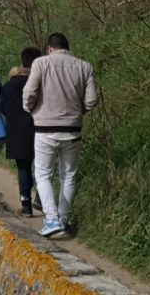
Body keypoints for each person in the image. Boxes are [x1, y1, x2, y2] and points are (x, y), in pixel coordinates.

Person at [22, 33, 98, 238]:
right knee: (69, 175)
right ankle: (63, 219)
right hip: (73, 129)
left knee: (43, 174)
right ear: (67, 47)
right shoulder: (85, 66)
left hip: (45, 129)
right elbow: (91, 100)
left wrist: (31, 109)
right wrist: (77, 111)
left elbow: (29, 93)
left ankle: (52, 219)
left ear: (50, 48)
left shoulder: (40, 63)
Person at [3, 47, 41, 217]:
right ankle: (41, 198)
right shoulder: (41, 82)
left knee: (23, 168)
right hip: (40, 128)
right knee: (42, 167)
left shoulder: (9, 85)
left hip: (17, 132)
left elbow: (2, 107)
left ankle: (26, 205)